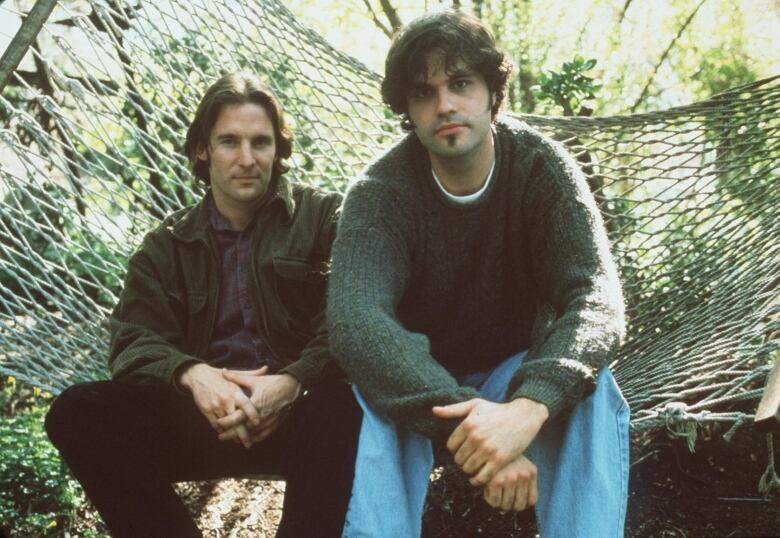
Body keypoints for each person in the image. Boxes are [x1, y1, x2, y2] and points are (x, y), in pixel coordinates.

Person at [327, 10, 629, 538]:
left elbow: (595, 296)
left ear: (493, 91)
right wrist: (480, 430)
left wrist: (527, 411)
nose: (445, 104)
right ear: (408, 111)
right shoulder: (380, 194)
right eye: (424, 93)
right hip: (419, 384)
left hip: (515, 373)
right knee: (367, 400)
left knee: (591, 387)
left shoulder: (541, 167)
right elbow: (357, 320)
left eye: (461, 83)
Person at [45, 72, 361, 538]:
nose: (248, 159)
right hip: (204, 421)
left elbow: (350, 317)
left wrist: (292, 382)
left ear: (279, 149)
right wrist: (195, 376)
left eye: (261, 142)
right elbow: (133, 340)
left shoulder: (324, 220)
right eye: (230, 142)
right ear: (203, 150)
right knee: (77, 411)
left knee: (341, 408)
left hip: (300, 421)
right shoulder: (166, 245)